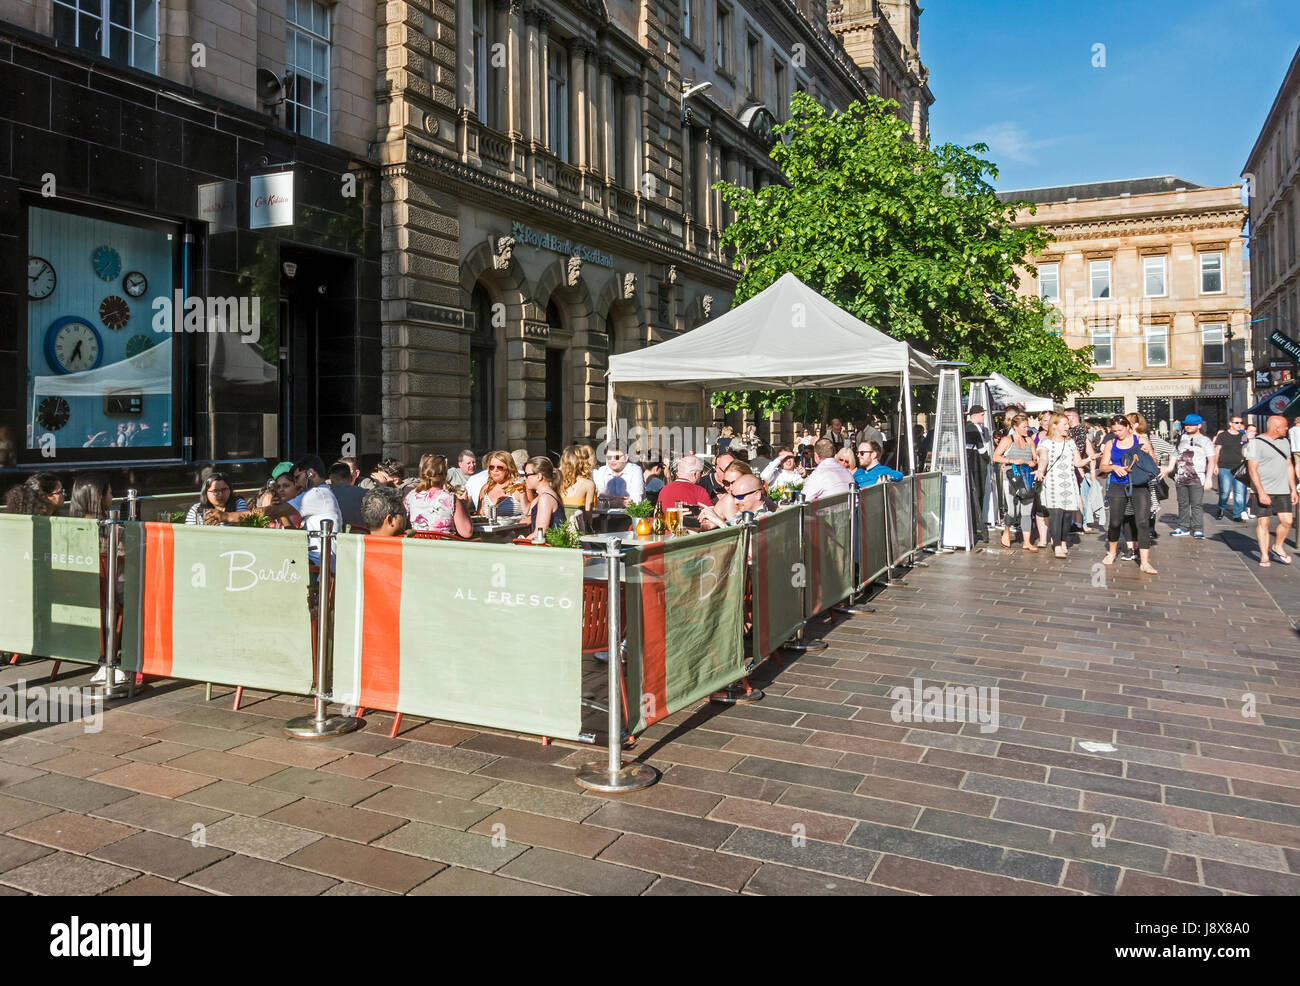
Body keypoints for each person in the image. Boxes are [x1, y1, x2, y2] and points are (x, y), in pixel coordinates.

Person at [1100, 415, 1157, 574]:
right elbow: (1103, 466)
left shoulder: (1142, 441)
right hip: (1118, 485)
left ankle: (1145, 562)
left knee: (1143, 522)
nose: (1118, 433)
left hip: (1139, 485)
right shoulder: (1111, 444)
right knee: (1115, 521)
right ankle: (1112, 552)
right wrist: (1113, 467)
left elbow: (1154, 463)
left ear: (1128, 427)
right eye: (1114, 430)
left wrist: (1146, 454)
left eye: (1120, 430)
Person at [1244, 414, 1297, 567]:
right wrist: (1261, 492)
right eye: (1285, 426)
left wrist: (1293, 489)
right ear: (1276, 428)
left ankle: (1277, 546)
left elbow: (1289, 466)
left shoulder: (1285, 442)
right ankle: (1264, 555)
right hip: (1263, 489)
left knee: (1287, 521)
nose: (1287, 428)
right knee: (1264, 523)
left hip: (1282, 489)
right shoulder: (1256, 443)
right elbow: (1252, 469)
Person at [1035, 413, 1090, 558]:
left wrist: (1091, 458)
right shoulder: (1045, 442)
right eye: (1064, 424)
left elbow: (1077, 463)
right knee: (1056, 514)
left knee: (1067, 516)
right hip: (1053, 483)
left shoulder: (1070, 442)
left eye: (1068, 424)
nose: (1068, 426)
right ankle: (1057, 545)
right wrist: (1040, 470)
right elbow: (1043, 458)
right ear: (1055, 425)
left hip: (1069, 483)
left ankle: (1063, 541)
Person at [992, 414, 1037, 551]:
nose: (1026, 429)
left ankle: (1027, 542)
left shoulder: (1029, 440)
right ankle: (1006, 531)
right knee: (1012, 509)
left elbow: (1036, 458)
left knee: (1027, 510)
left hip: (1027, 478)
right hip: (1011, 478)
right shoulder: (1007, 440)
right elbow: (995, 457)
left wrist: (1032, 462)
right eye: (1023, 427)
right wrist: (1012, 461)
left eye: (1027, 426)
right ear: (1015, 427)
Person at [1169, 413, 1215, 538]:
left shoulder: (1205, 440)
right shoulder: (1181, 438)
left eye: (1191, 424)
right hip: (1181, 476)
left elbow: (1211, 460)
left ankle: (1198, 528)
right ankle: (1183, 526)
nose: (1188, 426)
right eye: (1187, 424)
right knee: (1182, 503)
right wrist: (1169, 468)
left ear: (1199, 425)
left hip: (1197, 477)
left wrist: (1209, 479)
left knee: (1196, 504)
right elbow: (1174, 454)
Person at [404, 453, 473, 537]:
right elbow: (467, 532)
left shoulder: (411, 496)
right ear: (445, 475)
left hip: (418, 545)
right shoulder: (450, 499)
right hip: (443, 547)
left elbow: (404, 524)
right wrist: (464, 506)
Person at [699, 473, 768, 530]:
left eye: (740, 497)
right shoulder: (741, 514)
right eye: (734, 497)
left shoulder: (766, 518)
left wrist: (719, 522)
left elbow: (746, 540)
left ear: (757, 495)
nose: (736, 501)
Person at [1213, 414, 1248, 522]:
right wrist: (1215, 465)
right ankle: (1221, 507)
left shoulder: (1243, 436)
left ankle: (1237, 514)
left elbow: (1247, 451)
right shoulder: (1222, 436)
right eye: (1236, 423)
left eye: (1241, 423)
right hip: (1224, 467)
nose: (1239, 425)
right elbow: (1217, 451)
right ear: (1230, 424)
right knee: (1225, 491)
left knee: (1240, 492)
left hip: (1239, 468)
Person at [523, 457, 566, 540]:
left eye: (527, 475)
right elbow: (527, 512)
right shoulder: (544, 495)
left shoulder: (545, 498)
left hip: (548, 548)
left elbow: (539, 534)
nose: (524, 478)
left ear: (539, 476)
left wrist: (516, 544)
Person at [966, 405, 992, 540]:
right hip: (976, 466)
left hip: (973, 464)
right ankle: (978, 525)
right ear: (974, 415)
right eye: (982, 415)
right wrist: (989, 460)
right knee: (978, 493)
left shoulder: (970, 427)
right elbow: (981, 449)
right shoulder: (973, 428)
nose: (983, 417)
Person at [558, 445, 597, 528]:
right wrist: (590, 526)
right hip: (577, 530)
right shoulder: (589, 484)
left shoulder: (558, 482)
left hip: (559, 528)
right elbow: (588, 513)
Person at [479, 450, 525, 516]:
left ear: (509, 468)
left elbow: (531, 515)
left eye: (499, 467)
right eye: (491, 467)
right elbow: (480, 516)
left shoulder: (519, 487)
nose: (495, 470)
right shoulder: (485, 488)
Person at [328, 461, 367, 531]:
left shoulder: (324, 495)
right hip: (359, 538)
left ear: (331, 478)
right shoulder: (365, 494)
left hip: (333, 538)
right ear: (351, 478)